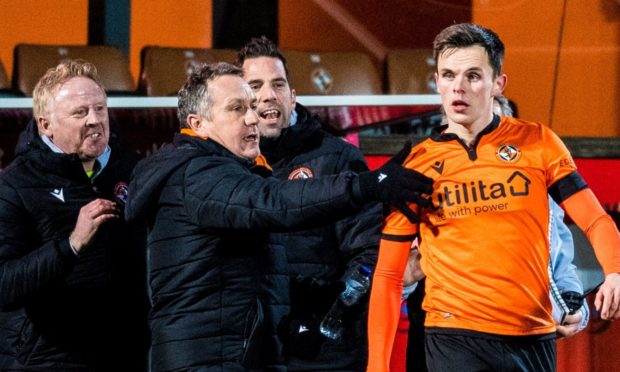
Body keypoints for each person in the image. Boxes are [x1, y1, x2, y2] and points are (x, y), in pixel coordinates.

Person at [124, 62, 433, 371]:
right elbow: (276, 201)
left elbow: (260, 280)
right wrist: (368, 184)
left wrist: (335, 306)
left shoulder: (224, 173)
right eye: (236, 109)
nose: (252, 117)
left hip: (238, 357)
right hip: (209, 362)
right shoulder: (196, 173)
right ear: (198, 123)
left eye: (250, 107)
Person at [367, 23, 620, 372]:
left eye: (473, 75)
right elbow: (388, 275)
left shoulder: (537, 142)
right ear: (437, 82)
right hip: (452, 336)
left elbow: (595, 220)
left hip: (532, 336)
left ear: (498, 84)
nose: (458, 87)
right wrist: (376, 366)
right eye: (448, 75)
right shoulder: (417, 164)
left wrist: (615, 272)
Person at [400, 94, 590, 371]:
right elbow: (380, 283)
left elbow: (559, 263)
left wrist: (575, 307)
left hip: (521, 342)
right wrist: (408, 277)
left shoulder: (535, 193)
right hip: (438, 339)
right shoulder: (415, 182)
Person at [236, 36, 381, 371]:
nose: (269, 95)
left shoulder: (338, 159)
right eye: (255, 86)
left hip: (325, 353)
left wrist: (326, 320)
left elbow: (369, 256)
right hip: (251, 351)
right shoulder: (227, 167)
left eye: (278, 84)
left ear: (293, 96)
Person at [0, 60, 148, 370]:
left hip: (127, 353)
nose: (95, 120)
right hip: (50, 359)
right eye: (80, 113)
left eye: (100, 109)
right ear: (46, 124)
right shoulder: (15, 185)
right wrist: (71, 245)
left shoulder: (133, 169)